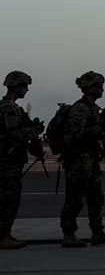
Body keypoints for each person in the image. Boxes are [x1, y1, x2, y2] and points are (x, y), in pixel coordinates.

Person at [60, 71, 105, 248]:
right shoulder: (80, 109)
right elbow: (74, 135)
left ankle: (97, 232)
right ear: (88, 88)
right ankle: (69, 234)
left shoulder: (93, 108)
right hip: (78, 160)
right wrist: (98, 129)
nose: (101, 90)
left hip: (90, 159)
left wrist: (101, 129)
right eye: (98, 86)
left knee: (96, 197)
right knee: (75, 199)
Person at [0, 71, 44, 250]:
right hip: (7, 161)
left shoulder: (13, 108)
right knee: (8, 199)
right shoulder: (8, 108)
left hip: (11, 160)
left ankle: (5, 234)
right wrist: (35, 131)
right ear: (15, 86)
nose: (26, 90)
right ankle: (3, 236)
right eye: (24, 86)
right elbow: (15, 133)